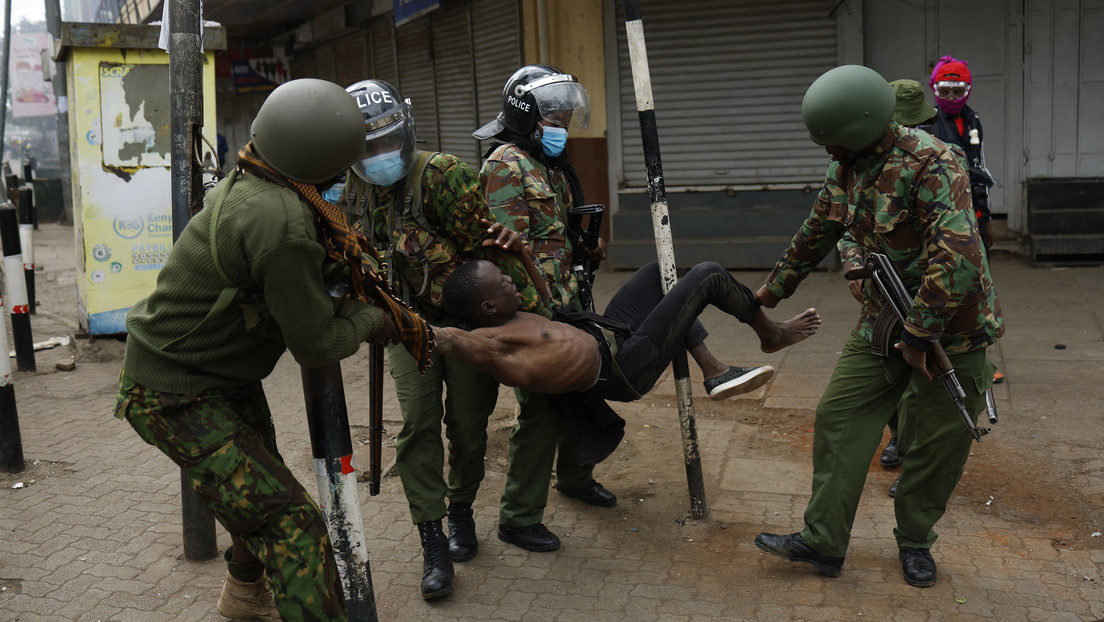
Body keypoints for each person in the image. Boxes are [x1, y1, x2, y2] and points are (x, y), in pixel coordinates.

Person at [113, 79, 418, 621]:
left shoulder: (258, 172)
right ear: (326, 164)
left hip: (218, 377)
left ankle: (245, 595)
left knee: (261, 491)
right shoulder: (281, 222)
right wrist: (373, 320)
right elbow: (317, 342)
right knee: (294, 527)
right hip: (173, 395)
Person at [473, 64, 758, 552]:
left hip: (567, 303)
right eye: (554, 116)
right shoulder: (506, 166)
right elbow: (505, 254)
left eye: (566, 115)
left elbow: (553, 238)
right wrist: (539, 321)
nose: (563, 124)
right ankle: (518, 518)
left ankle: (575, 479)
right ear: (526, 115)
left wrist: (587, 249)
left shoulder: (549, 168)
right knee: (542, 413)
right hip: (536, 316)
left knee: (580, 394)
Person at [752, 65, 1004, 588]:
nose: (829, 154)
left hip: (950, 329)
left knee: (936, 445)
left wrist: (919, 334)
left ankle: (915, 541)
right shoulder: (847, 166)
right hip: (884, 318)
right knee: (839, 417)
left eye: (835, 144)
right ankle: (822, 542)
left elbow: (956, 254)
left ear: (867, 128)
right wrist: (772, 291)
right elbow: (819, 228)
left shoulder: (933, 162)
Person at [335, 78, 537, 600]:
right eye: (367, 147)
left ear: (405, 130)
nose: (380, 155)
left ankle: (461, 509)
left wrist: (523, 314)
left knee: (468, 429)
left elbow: (486, 251)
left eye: (387, 142)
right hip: (407, 327)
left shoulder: (443, 175)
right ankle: (432, 540)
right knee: (418, 427)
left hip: (468, 325)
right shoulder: (349, 190)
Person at [434, 259, 820, 400]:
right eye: (503, 282)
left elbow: (548, 299)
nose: (510, 282)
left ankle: (714, 370)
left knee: (657, 274)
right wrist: (396, 319)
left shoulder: (515, 315)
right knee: (707, 275)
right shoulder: (492, 343)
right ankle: (770, 333)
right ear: (486, 307)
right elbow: (449, 340)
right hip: (625, 370)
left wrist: (519, 251)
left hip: (614, 339)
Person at [840, 78, 941, 481]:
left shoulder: (940, 162)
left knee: (922, 385)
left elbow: (958, 251)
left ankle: (915, 464)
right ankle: (899, 438)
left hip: (932, 296)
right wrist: (853, 262)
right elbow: (845, 229)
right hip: (883, 295)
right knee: (889, 369)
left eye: (923, 125)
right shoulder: (861, 169)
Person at [926, 55, 1004, 385]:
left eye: (959, 91)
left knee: (978, 292)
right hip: (943, 219)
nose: (952, 98)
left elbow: (980, 170)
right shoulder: (928, 123)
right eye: (946, 90)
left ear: (968, 90)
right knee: (943, 287)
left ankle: (979, 361)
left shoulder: (973, 122)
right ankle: (939, 353)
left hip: (971, 215)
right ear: (934, 89)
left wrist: (985, 219)